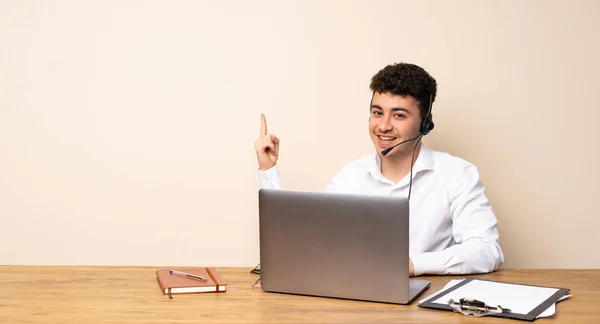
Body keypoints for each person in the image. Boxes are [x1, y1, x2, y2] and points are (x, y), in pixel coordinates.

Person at [254, 62, 504, 277]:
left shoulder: (456, 174)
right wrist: (269, 169)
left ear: (425, 122)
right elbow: (304, 241)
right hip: (357, 298)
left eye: (399, 116)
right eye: (377, 112)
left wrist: (413, 265)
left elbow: (486, 250)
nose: (383, 126)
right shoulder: (350, 176)